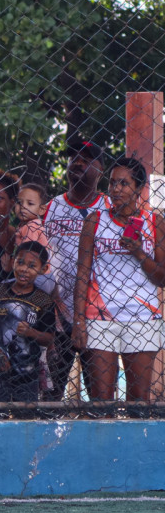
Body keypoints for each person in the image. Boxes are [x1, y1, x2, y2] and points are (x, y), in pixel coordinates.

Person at [73, 156, 165, 408]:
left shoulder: (154, 222)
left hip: (142, 317)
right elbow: (82, 274)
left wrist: (139, 253)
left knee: (138, 400)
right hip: (99, 316)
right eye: (113, 183)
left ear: (139, 188)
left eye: (124, 184)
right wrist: (79, 321)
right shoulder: (95, 221)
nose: (116, 189)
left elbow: (162, 278)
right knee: (101, 400)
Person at [43, 142, 109, 401]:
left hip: (98, 315)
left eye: (86, 159)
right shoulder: (51, 207)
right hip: (58, 315)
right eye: (74, 158)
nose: (78, 163)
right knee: (51, 393)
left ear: (100, 169)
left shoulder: (110, 207)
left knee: (99, 395)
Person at [0, 242, 56, 410]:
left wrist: (31, 332)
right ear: (12, 261)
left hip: (27, 373)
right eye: (20, 262)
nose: (24, 269)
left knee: (26, 415)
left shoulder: (43, 301)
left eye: (32, 266)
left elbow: (49, 338)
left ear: (43, 269)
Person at [13, 183, 51, 249]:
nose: (23, 206)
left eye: (30, 203)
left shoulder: (32, 226)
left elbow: (28, 251)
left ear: (41, 209)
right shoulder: (31, 224)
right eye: (19, 202)